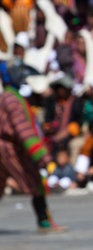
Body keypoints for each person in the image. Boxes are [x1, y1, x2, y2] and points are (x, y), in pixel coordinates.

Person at [0, 66, 64, 232]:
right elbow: (24, 131)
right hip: (10, 149)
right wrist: (43, 157)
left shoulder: (5, 98)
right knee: (35, 182)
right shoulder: (12, 100)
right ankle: (44, 221)